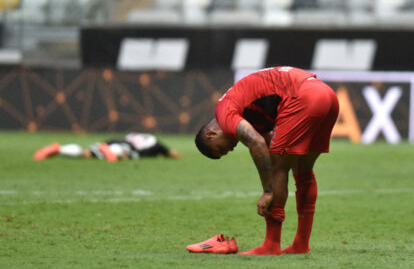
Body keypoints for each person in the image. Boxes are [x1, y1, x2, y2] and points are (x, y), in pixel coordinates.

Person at [194, 66, 339, 255]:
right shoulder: (245, 110)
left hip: (302, 97)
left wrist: (268, 191)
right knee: (302, 171)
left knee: (277, 167)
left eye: (221, 149)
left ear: (211, 133)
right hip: (326, 95)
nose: (231, 149)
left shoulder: (224, 112)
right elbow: (269, 139)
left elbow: (257, 142)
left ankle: (271, 246)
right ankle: (301, 245)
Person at [33, 133, 180, 162]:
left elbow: (127, 138)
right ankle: (113, 154)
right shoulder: (155, 143)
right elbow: (172, 153)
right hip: (126, 148)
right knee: (126, 153)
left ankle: (60, 149)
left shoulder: (134, 135)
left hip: (112, 141)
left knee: (87, 153)